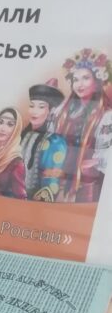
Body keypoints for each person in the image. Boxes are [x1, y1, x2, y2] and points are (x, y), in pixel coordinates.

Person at [53, 48, 112, 202]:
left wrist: (96, 162)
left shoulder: (106, 116)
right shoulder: (64, 112)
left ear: (97, 82)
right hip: (61, 175)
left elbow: (107, 152)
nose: (80, 84)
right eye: (76, 79)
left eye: (86, 78)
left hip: (88, 181)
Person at [20, 79, 67, 202]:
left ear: (50, 111)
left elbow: (50, 185)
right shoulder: (23, 135)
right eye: (32, 106)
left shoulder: (55, 142)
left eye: (41, 107)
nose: (34, 111)